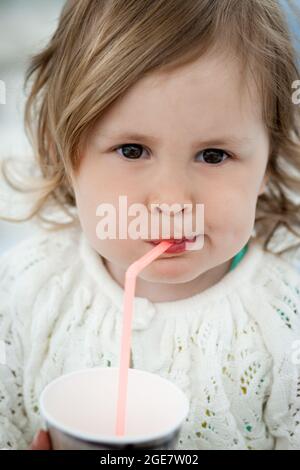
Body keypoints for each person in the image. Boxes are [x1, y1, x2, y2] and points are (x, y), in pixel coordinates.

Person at [1, 0, 300, 450]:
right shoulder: (24, 291)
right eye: (132, 150)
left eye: (214, 155)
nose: (173, 202)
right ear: (63, 146)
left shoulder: (284, 323)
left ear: (268, 159)